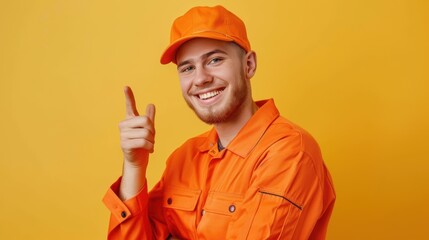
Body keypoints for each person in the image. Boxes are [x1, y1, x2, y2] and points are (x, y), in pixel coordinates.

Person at [103, 5, 336, 240]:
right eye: (188, 68)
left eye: (214, 59)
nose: (201, 78)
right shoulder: (183, 158)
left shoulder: (290, 152)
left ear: (249, 65)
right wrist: (134, 167)